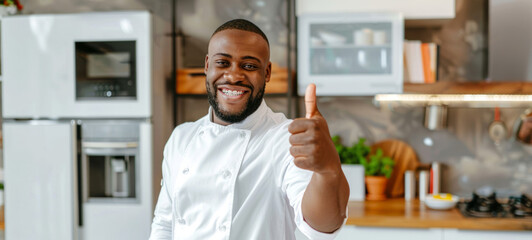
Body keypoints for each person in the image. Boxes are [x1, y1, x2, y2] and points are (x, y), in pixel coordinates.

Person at [149, 19, 349, 240]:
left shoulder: (285, 138)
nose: (234, 76)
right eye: (223, 63)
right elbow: (165, 224)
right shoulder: (182, 138)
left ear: (267, 73)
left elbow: (321, 226)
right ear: (207, 66)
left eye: (249, 66)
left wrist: (329, 171)